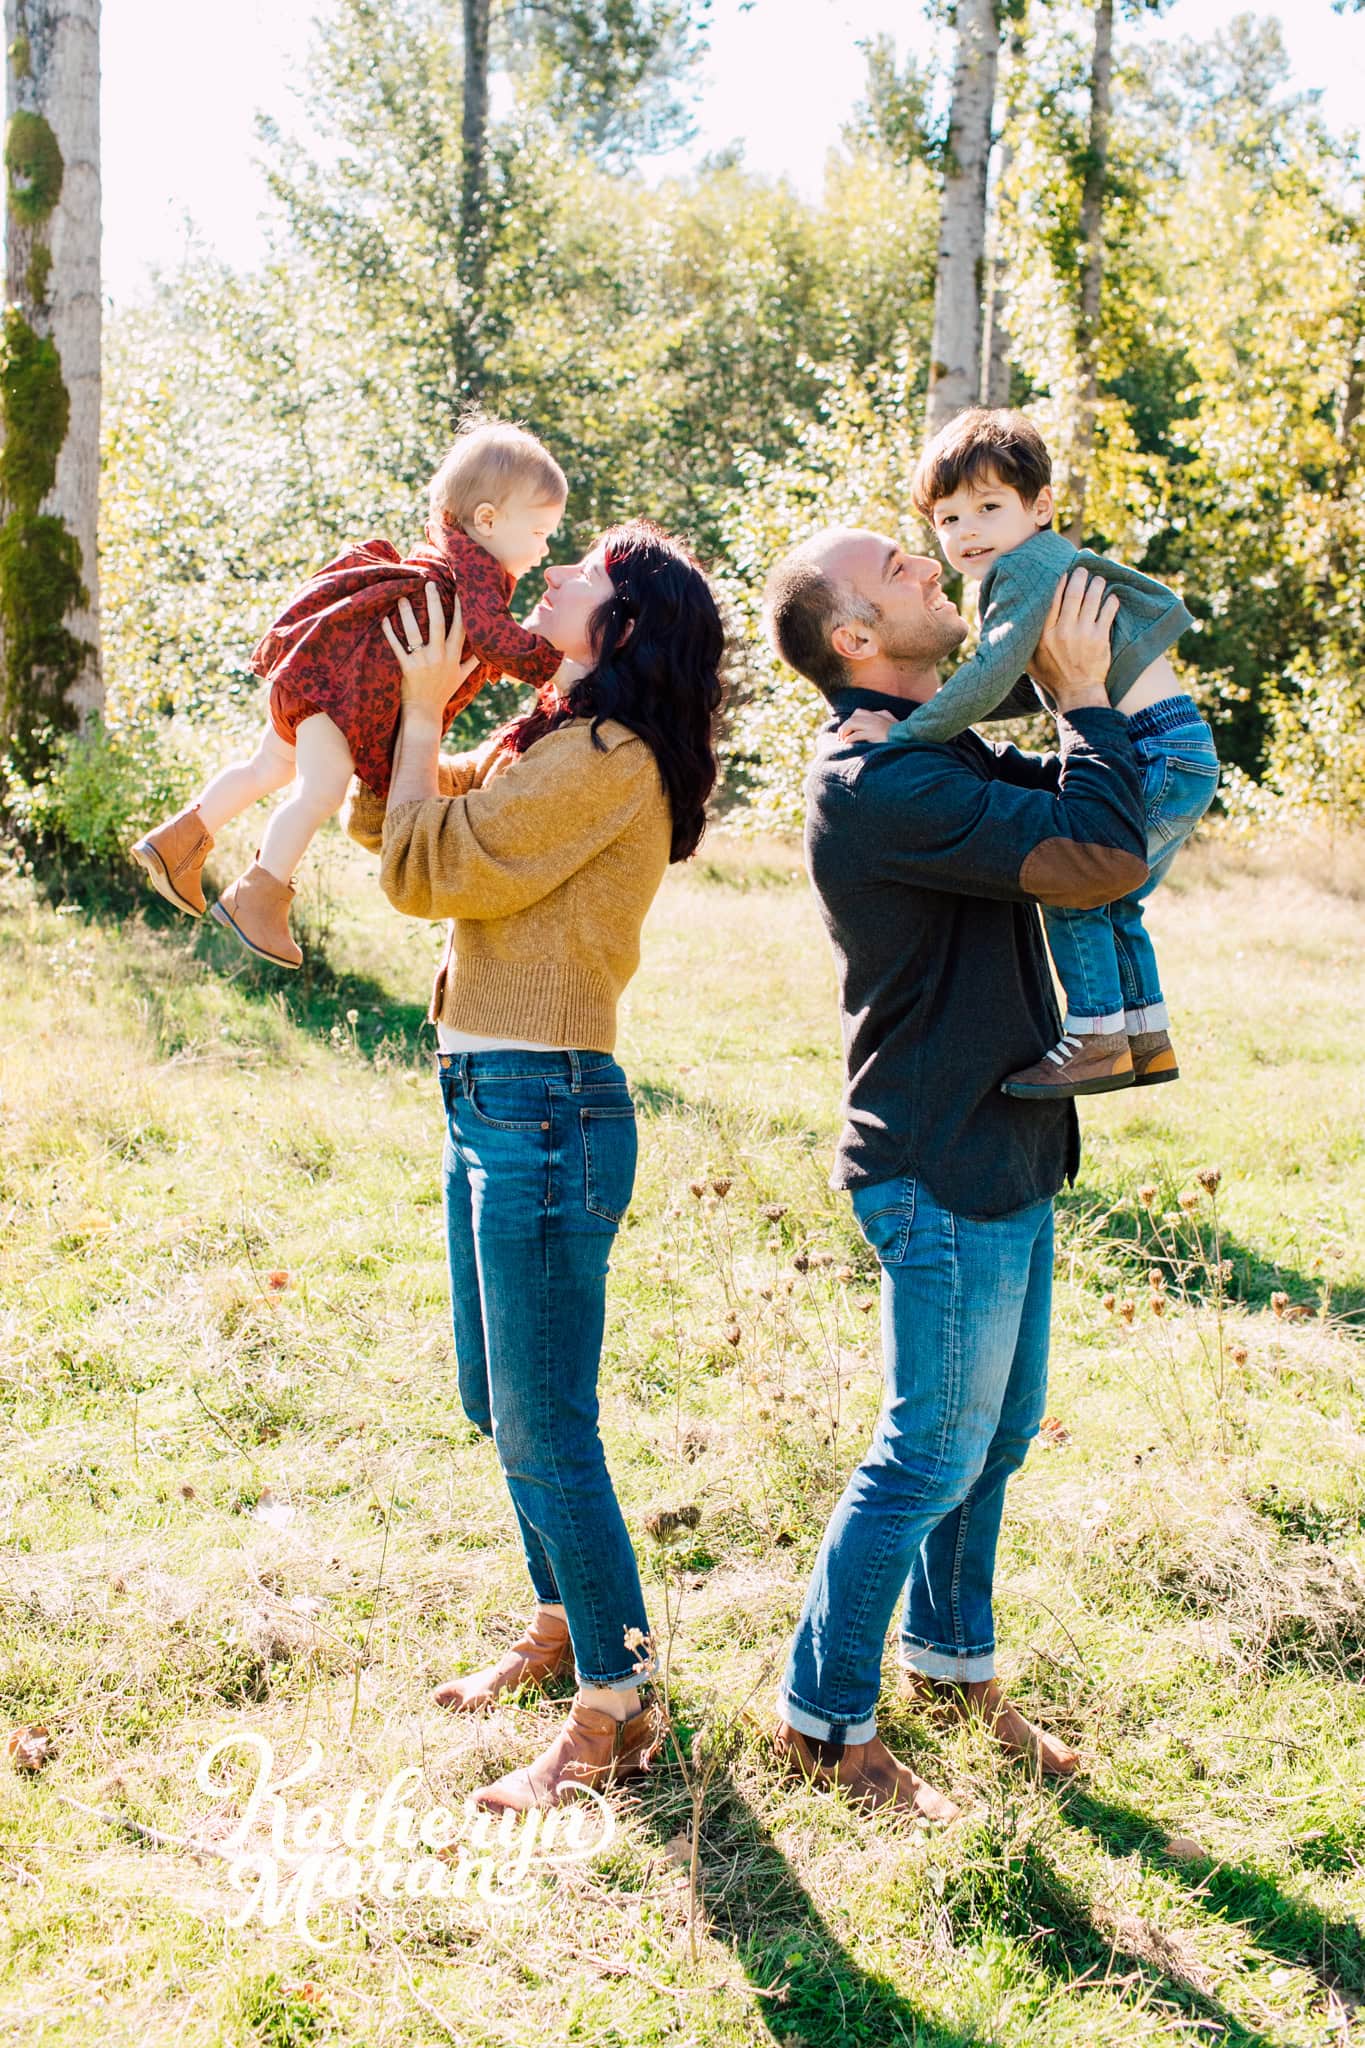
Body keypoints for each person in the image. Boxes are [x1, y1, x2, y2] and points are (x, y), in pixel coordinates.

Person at [760, 528, 1151, 1822]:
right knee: (929, 1449)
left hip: (1009, 1145)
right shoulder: (879, 781)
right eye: (902, 572)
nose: (937, 571)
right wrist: (1085, 695)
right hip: (936, 1165)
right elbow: (1100, 852)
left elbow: (1069, 818)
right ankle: (824, 1719)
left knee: (994, 1443)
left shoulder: (935, 746)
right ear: (854, 641)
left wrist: (1072, 706)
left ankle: (949, 1663)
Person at [345, 522, 725, 1813]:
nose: (549, 580)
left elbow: (429, 863)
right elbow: (403, 813)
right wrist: (393, 705)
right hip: (487, 1092)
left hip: (542, 1102)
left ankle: (618, 1706)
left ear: (621, 624)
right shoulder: (557, 738)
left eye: (580, 577)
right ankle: (566, 1619)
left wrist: (409, 733)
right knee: (492, 1398)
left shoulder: (606, 760)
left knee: (544, 1419)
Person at [840, 408, 1219, 1098]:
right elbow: (1018, 684)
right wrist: (952, 722)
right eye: (948, 520)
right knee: (1117, 899)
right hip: (1174, 744)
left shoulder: (1018, 571)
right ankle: (1143, 1034)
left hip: (1151, 748)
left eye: (987, 507)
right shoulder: (1035, 565)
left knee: (1077, 885)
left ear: (1038, 507)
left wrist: (905, 732)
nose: (967, 532)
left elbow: (989, 674)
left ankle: (1096, 1037)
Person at [131, 417, 582, 969]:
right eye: (539, 533)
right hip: (338, 699)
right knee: (319, 791)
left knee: (265, 769)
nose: (545, 550)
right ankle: (258, 897)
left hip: (314, 678)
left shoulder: (448, 556)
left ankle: (180, 838)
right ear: (487, 519)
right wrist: (556, 671)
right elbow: (492, 636)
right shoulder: (476, 576)